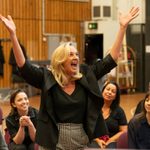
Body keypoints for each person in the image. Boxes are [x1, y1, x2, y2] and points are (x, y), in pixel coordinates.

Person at [0, 6, 139, 150]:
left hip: (80, 140)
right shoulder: (47, 77)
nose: (76, 58)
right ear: (60, 60)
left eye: (77, 55)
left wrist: (122, 28)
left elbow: (110, 60)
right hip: (53, 141)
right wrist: (13, 35)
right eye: (71, 54)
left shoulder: (85, 74)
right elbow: (24, 67)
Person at [91, 81, 127, 149]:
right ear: (103, 91)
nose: (109, 92)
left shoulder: (119, 111)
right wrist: (97, 140)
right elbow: (88, 127)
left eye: (113, 91)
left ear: (116, 96)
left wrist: (110, 141)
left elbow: (124, 131)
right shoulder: (93, 108)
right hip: (94, 141)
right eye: (107, 89)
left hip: (112, 142)